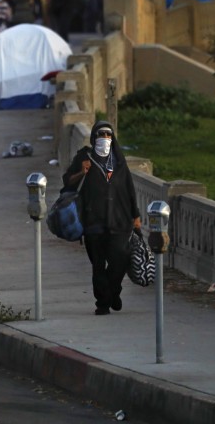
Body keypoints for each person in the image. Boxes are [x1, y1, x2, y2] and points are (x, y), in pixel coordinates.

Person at [62, 121, 141, 315]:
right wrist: (82, 171)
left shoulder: (119, 162)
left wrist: (135, 216)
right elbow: (68, 183)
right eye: (100, 134)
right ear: (94, 137)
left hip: (119, 222)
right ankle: (102, 303)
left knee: (119, 260)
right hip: (93, 223)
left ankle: (114, 291)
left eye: (108, 135)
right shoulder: (84, 157)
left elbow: (129, 190)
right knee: (98, 265)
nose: (104, 138)